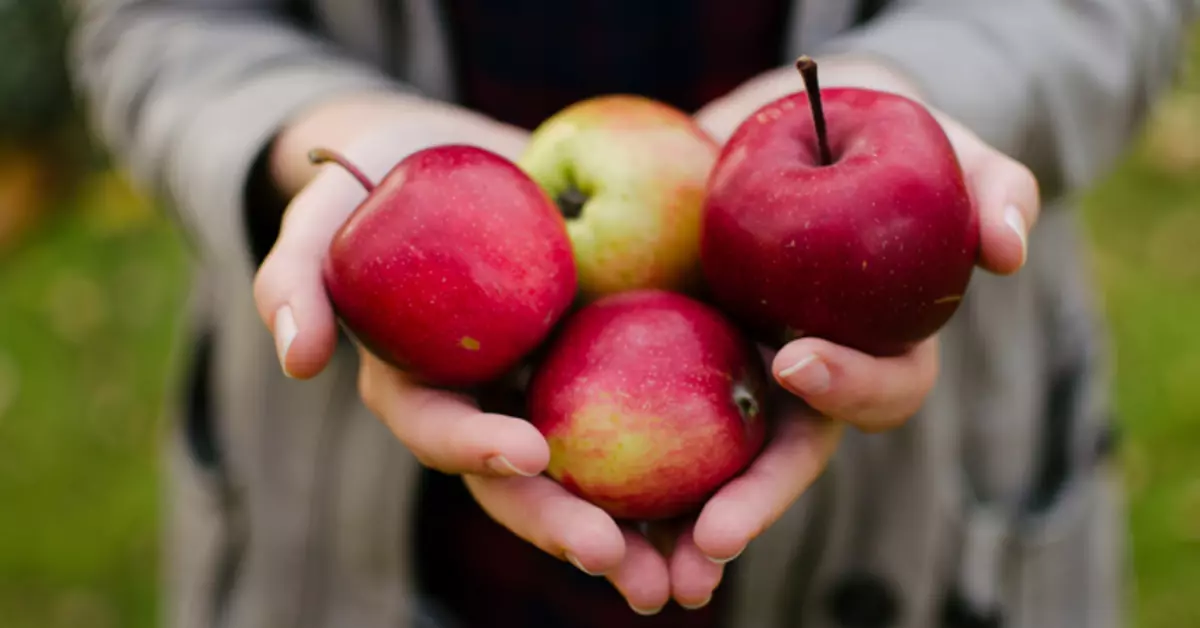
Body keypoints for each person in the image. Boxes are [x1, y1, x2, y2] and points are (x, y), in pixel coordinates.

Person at [68, 1, 1194, 627]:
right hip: (353, 520)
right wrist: (312, 127)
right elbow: (150, 22)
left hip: (915, 512)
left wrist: (905, 80)